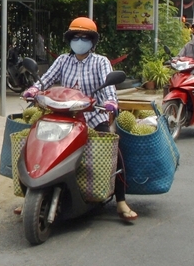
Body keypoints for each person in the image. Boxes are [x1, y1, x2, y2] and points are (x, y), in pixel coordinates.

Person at [21, 16, 138, 221]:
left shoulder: (100, 62)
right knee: (32, 145)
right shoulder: (63, 60)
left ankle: (121, 201)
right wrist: (33, 89)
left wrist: (111, 101)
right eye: (76, 36)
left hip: (93, 116)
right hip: (63, 115)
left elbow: (109, 88)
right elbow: (46, 79)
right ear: (70, 39)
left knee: (114, 152)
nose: (80, 41)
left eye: (85, 37)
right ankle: (28, 197)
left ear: (92, 41)